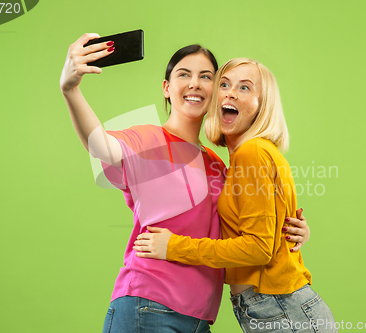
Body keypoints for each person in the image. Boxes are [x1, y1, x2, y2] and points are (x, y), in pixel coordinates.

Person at [60, 35, 310, 333]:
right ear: (167, 88)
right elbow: (100, 145)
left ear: (216, 93)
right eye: (183, 74)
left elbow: (247, 232)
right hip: (147, 305)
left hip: (199, 319)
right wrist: (70, 88)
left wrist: (292, 231)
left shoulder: (219, 166)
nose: (195, 83)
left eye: (206, 77)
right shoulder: (147, 140)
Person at [134, 58, 337, 333]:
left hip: (281, 309)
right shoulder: (242, 161)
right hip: (276, 308)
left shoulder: (252, 153)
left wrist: (174, 247)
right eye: (225, 84)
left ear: (261, 105)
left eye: (244, 88)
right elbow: (265, 231)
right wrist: (299, 232)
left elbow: (257, 248)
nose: (230, 93)